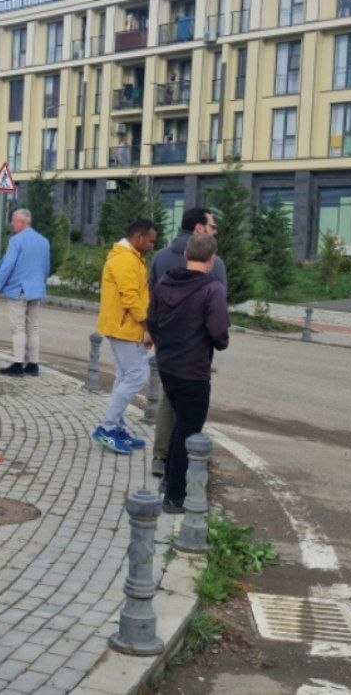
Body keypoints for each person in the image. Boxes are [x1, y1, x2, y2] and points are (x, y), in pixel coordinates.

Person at [148, 233, 230, 513]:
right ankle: (175, 496)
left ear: (185, 255)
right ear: (211, 259)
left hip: (168, 365)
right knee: (188, 430)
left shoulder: (164, 282)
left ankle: (169, 478)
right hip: (194, 370)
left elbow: (152, 321)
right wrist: (219, 341)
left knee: (177, 424)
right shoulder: (213, 289)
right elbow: (219, 332)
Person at [91, 218, 157, 454]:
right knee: (136, 377)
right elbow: (131, 299)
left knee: (124, 377)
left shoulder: (133, 259)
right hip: (124, 327)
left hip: (126, 327)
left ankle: (116, 427)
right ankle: (107, 428)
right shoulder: (124, 260)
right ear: (138, 238)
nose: (152, 245)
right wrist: (149, 326)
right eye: (150, 241)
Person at [0, 208, 51, 377]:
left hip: (19, 289)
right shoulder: (44, 241)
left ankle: (17, 365)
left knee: (18, 328)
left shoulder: (16, 240)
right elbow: (46, 267)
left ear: (23, 222)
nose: (12, 224)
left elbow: (8, 265)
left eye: (14, 221)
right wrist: (41, 285)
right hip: (36, 290)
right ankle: (33, 365)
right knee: (34, 328)